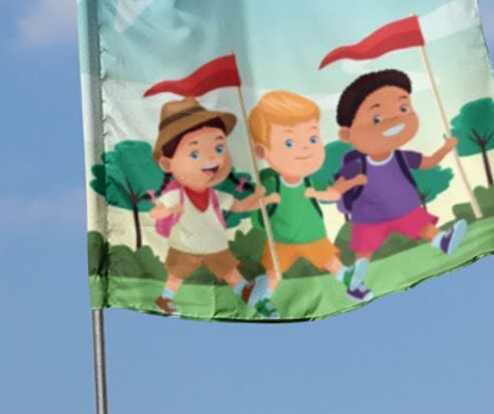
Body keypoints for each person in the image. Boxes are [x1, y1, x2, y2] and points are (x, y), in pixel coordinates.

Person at [332, 68, 467, 302]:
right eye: (376, 118)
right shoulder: (357, 164)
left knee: (423, 226)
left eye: (403, 109)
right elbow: (338, 188)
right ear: (347, 135)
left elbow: (428, 162)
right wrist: (353, 182)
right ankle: (356, 282)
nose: (394, 120)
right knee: (365, 250)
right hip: (370, 217)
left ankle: (442, 241)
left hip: (404, 210)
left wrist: (445, 149)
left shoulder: (401, 156)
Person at [239, 89, 364, 302]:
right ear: (261, 152)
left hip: (313, 236)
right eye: (289, 143)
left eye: (313, 138)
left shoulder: (308, 181)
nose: (306, 149)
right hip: (281, 241)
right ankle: (261, 300)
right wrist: (265, 199)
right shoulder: (271, 183)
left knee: (332, 263)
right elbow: (248, 206)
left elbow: (329, 195)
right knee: (273, 274)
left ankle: (351, 283)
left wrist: (342, 187)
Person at [148, 97, 266, 316]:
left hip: (214, 246)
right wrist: (168, 211)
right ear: (167, 163)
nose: (212, 158)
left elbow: (239, 207)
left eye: (219, 148)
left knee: (231, 273)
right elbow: (154, 213)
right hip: (185, 246)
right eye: (194, 153)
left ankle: (246, 292)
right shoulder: (176, 196)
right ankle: (165, 298)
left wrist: (259, 198)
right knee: (176, 277)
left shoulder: (216, 195)